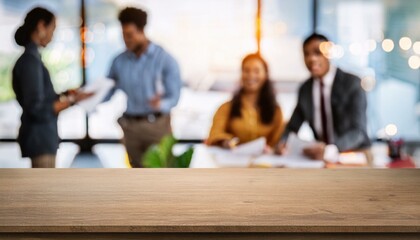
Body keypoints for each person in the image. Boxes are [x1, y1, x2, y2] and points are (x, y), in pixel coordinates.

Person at [12, 7, 92, 168]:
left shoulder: (33, 59)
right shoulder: (30, 61)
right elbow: (37, 108)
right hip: (40, 139)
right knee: (43, 189)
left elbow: (40, 97)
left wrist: (66, 94)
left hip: (42, 138)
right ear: (41, 26)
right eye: (52, 29)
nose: (53, 35)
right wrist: (72, 100)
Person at [277, 33, 370, 161]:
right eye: (307, 54)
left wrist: (330, 150)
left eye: (317, 52)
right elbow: (292, 127)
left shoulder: (352, 83)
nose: (312, 59)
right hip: (321, 160)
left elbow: (358, 131)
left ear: (329, 54)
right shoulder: (305, 89)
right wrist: (283, 142)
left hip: (353, 154)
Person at [107, 7, 182, 168]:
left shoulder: (165, 60)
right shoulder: (119, 61)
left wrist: (160, 104)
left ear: (142, 31)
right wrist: (87, 95)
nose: (126, 40)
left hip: (157, 126)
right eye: (123, 35)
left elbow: (174, 97)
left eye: (130, 35)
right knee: (136, 177)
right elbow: (108, 90)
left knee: (161, 177)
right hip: (131, 128)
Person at [207, 53, 284, 150]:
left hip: (264, 162)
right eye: (246, 70)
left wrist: (276, 148)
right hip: (233, 161)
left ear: (265, 75)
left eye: (256, 71)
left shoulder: (276, 111)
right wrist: (225, 142)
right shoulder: (226, 107)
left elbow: (279, 140)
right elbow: (214, 134)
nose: (251, 75)